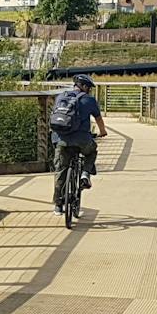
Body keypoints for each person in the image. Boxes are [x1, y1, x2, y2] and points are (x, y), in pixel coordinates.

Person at [51, 74, 107, 215]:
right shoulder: (89, 100)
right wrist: (102, 132)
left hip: (61, 139)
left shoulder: (61, 97)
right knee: (91, 151)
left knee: (61, 170)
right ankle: (85, 174)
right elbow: (99, 119)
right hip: (82, 140)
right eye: (89, 88)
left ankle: (58, 206)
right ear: (85, 87)